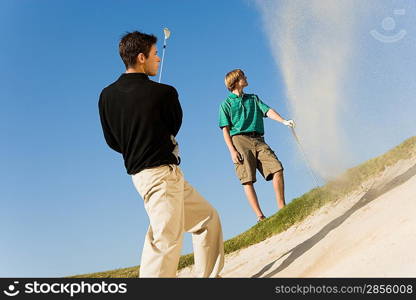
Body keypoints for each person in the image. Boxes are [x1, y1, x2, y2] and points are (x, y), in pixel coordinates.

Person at [98, 31, 224, 277]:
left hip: (157, 176)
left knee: (207, 220)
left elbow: (113, 141)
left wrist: (139, 144)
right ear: (142, 57)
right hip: (160, 178)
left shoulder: (106, 95)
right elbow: (173, 127)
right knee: (164, 241)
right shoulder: (165, 92)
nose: (159, 59)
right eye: (155, 54)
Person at [218, 69, 295, 222]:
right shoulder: (225, 104)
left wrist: (283, 121)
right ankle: (260, 216)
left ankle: (282, 208)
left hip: (258, 139)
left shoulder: (253, 98)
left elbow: (267, 111)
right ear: (235, 81)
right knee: (247, 179)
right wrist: (232, 151)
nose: (246, 78)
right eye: (243, 77)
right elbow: (225, 130)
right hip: (239, 141)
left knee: (277, 168)